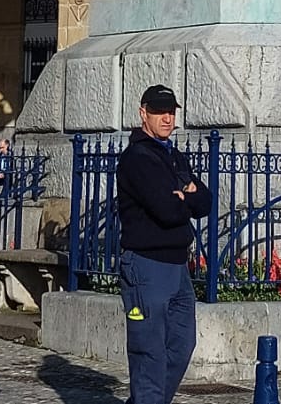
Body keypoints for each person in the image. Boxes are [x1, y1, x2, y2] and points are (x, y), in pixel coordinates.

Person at [116, 85, 212, 404]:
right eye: (159, 111)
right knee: (149, 354)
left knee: (182, 345)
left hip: (177, 268)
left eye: (171, 111)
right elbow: (167, 209)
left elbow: (206, 202)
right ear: (143, 113)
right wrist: (186, 194)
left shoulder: (172, 155)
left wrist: (187, 195)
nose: (167, 118)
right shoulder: (137, 158)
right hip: (146, 267)